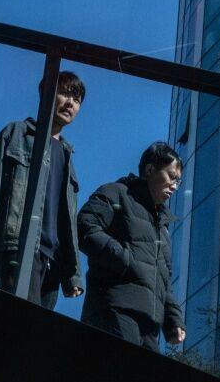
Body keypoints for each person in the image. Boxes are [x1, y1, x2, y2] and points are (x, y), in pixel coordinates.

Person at [0, 71, 85, 310]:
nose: (71, 103)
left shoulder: (68, 156)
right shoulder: (17, 134)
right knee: (20, 324)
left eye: (77, 99)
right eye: (65, 94)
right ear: (46, 93)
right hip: (19, 245)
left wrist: (73, 274)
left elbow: (67, 222)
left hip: (52, 261)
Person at [77, 141, 186, 350]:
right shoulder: (117, 193)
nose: (174, 185)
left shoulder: (163, 227)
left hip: (149, 327)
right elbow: (85, 227)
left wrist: (173, 319)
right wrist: (126, 260)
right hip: (115, 310)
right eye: (171, 176)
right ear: (150, 170)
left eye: (178, 181)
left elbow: (164, 278)